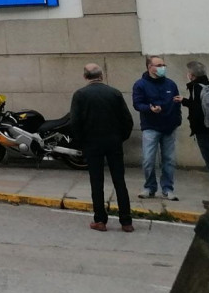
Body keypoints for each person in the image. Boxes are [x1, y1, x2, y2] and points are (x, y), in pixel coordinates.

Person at [70, 63, 135, 233]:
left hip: (92, 143)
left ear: (85, 77)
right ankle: (126, 221)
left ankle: (100, 219)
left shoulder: (80, 95)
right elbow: (127, 120)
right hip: (113, 142)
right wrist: (120, 137)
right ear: (102, 76)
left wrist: (80, 142)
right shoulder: (114, 93)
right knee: (119, 181)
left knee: (96, 182)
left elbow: (75, 122)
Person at [132, 55, 183, 200]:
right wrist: (150, 108)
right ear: (150, 67)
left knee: (169, 160)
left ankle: (167, 188)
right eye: (159, 65)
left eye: (163, 65)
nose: (162, 67)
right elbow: (137, 104)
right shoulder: (140, 84)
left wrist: (177, 120)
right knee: (148, 160)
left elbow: (176, 102)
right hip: (151, 127)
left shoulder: (170, 84)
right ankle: (150, 187)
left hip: (169, 126)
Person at [181, 60, 209, 196]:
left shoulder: (196, 87)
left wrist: (185, 103)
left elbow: (196, 109)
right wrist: (184, 101)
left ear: (192, 75)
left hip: (204, 132)